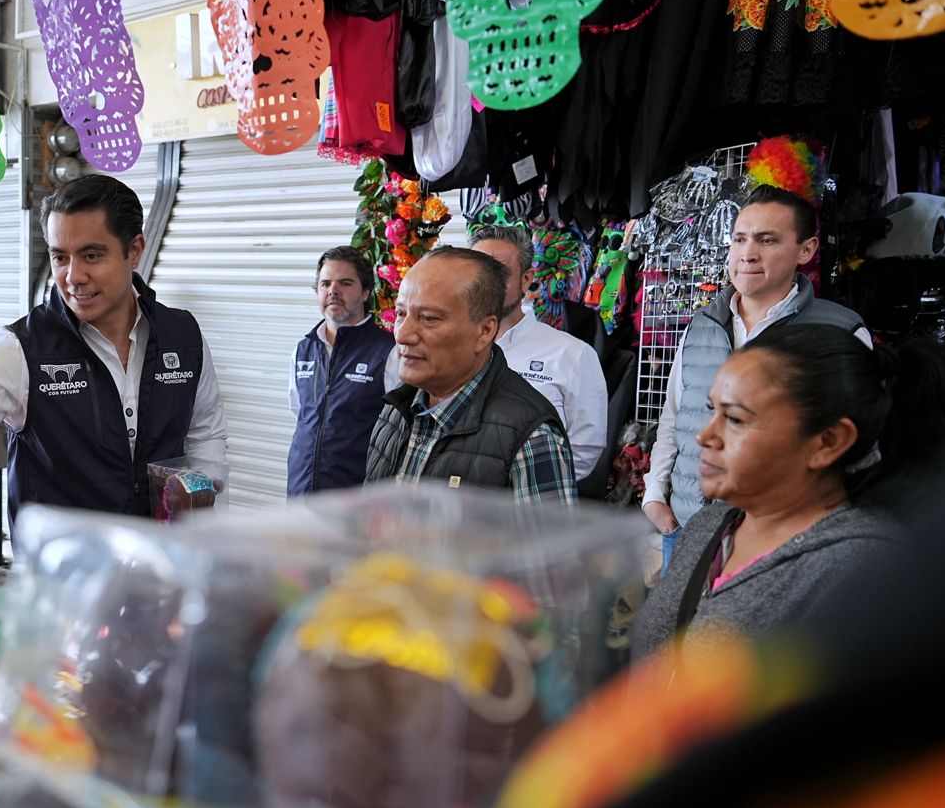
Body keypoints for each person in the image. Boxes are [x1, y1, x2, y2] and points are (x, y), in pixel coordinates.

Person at [0, 174, 228, 568]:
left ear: (134, 251)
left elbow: (206, 438)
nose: (72, 277)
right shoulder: (23, 349)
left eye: (92, 255)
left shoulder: (182, 337)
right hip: (60, 590)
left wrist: (194, 503)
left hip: (160, 574)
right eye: (60, 257)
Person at [632, 322, 945, 659]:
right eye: (711, 411)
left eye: (735, 419)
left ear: (827, 442)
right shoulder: (711, 525)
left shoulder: (866, 570)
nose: (704, 437)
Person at [642, 185, 869, 568]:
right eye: (740, 239)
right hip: (686, 530)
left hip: (780, 548)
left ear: (807, 250)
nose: (747, 254)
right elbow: (674, 416)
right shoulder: (702, 326)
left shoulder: (839, 332)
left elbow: (855, 454)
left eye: (767, 240)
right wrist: (654, 496)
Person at [364, 248, 576, 504]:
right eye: (401, 314)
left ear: (485, 331)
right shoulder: (397, 409)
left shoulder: (531, 438)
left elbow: (550, 544)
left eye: (428, 318)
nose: (403, 334)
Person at [468, 222, 608, 485]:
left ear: (527, 279)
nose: (486, 283)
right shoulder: (452, 347)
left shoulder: (572, 355)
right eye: (478, 272)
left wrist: (520, 490)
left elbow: (584, 451)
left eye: (500, 272)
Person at [287, 245, 396, 495]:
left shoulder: (388, 352)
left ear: (366, 292)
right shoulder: (303, 350)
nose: (333, 291)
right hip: (301, 492)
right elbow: (301, 415)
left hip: (356, 501)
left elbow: (398, 430)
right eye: (325, 284)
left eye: (345, 283)